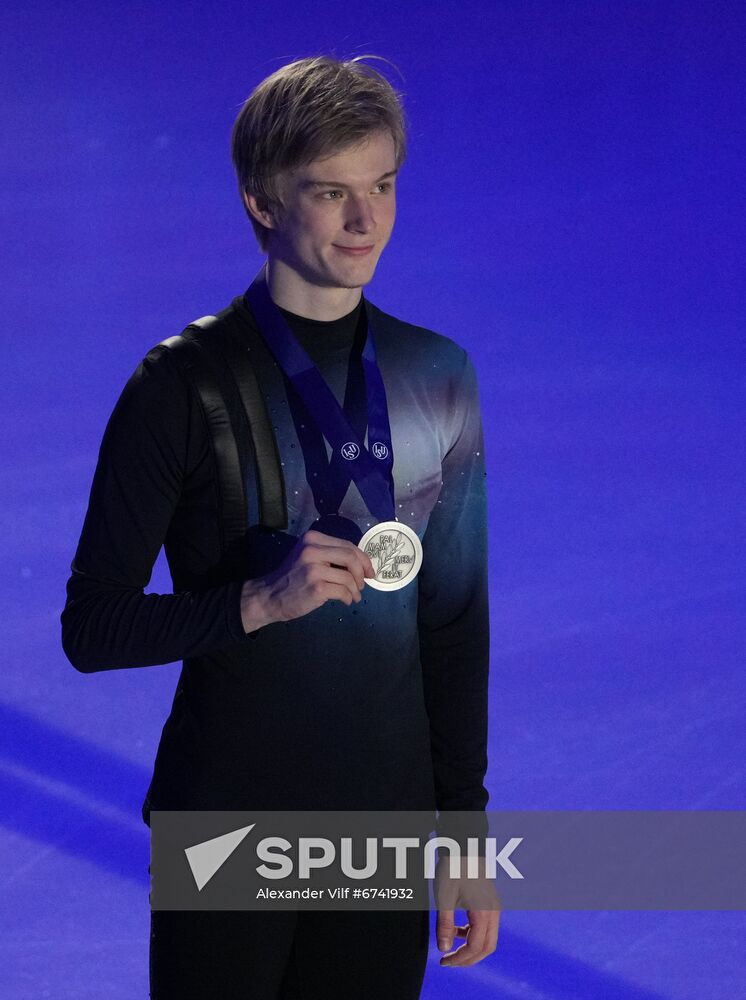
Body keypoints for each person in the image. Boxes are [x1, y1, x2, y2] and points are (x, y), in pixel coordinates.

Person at [61, 54, 498, 998]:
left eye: (381, 186)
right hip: (225, 828)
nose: (365, 220)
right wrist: (257, 602)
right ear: (262, 203)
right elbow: (91, 628)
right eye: (331, 192)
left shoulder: (438, 375)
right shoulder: (179, 386)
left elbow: (454, 624)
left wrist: (463, 830)